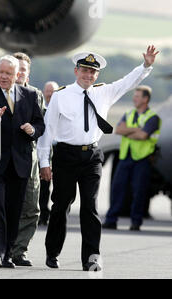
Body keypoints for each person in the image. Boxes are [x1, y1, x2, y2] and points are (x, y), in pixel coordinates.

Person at [38, 46, 158, 271]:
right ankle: (52, 252)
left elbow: (127, 82)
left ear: (97, 75)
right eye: (84, 70)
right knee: (61, 205)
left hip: (91, 155)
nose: (88, 75)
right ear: (76, 71)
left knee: (90, 207)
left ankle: (92, 256)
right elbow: (48, 131)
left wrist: (146, 66)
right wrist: (44, 162)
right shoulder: (61, 96)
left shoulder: (104, 92)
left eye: (92, 72)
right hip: (65, 155)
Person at [0, 55, 45, 268]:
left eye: (8, 73)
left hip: (20, 163)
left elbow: (40, 123)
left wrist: (33, 131)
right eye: (1, 72)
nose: (4, 76)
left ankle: (8, 254)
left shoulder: (30, 95)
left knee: (14, 209)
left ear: (17, 75)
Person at [103, 85, 161, 231]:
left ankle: (136, 222)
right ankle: (111, 220)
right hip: (125, 156)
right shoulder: (128, 114)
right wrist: (136, 130)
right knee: (117, 189)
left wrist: (128, 132)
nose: (134, 98)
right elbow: (118, 130)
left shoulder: (153, 118)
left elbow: (143, 136)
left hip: (142, 159)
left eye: (137, 96)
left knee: (139, 192)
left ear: (145, 99)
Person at [10, 52, 46, 267]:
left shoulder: (35, 95)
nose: (20, 72)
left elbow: (41, 126)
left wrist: (33, 130)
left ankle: (19, 250)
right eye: (17, 68)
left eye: (24, 69)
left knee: (31, 206)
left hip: (27, 155)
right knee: (4, 206)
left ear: (28, 74)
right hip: (4, 156)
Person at [38, 81, 59, 226]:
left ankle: (56, 213)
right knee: (43, 184)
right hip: (44, 149)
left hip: (58, 150)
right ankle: (43, 214)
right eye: (47, 91)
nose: (50, 94)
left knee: (59, 185)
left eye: (53, 91)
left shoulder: (61, 109)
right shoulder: (40, 110)